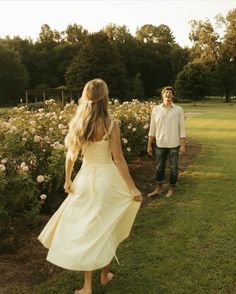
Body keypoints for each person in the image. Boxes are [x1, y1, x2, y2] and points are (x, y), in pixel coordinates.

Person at [38, 78, 142, 294]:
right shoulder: (111, 124)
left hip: (85, 180)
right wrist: (131, 188)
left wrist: (68, 179)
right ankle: (103, 275)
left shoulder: (79, 123)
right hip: (106, 180)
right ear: (105, 98)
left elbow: (71, 156)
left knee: (89, 229)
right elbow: (119, 159)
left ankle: (89, 285)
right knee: (106, 226)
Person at [147, 86, 186, 198]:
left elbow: (182, 128)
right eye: (166, 92)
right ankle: (159, 188)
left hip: (174, 144)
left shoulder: (178, 110)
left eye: (170, 92)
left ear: (172, 96)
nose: (168, 94)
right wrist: (149, 145)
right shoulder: (156, 109)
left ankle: (171, 188)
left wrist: (183, 145)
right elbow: (152, 129)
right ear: (162, 95)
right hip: (160, 144)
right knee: (159, 167)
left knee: (174, 168)